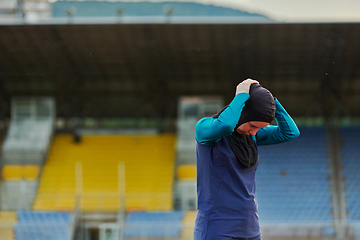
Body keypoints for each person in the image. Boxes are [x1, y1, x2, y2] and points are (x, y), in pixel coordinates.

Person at [194, 79, 300, 240]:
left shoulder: (250, 137)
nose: (254, 132)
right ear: (244, 112)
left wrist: (270, 101)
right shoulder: (205, 129)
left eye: (259, 128)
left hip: (250, 227)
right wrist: (242, 93)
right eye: (252, 125)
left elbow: (290, 132)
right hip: (217, 227)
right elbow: (226, 126)